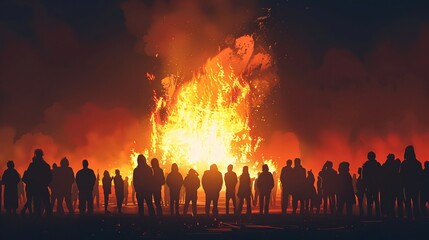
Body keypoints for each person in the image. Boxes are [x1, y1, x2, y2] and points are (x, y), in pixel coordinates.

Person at [26, 149, 53, 217]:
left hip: (36, 188)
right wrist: (45, 184)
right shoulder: (45, 165)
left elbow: (29, 176)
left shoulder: (32, 166)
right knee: (47, 204)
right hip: (43, 187)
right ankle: (49, 220)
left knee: (37, 204)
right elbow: (50, 177)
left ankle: (37, 220)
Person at [400, 145, 422, 219]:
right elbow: (419, 176)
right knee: (416, 202)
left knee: (408, 203)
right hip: (415, 186)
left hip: (407, 186)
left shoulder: (403, 164)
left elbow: (402, 176)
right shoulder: (417, 163)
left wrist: (401, 186)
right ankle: (417, 218)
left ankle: (409, 218)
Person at [362, 151, 381, 217]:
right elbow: (380, 176)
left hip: (369, 186)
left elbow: (363, 177)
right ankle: (378, 214)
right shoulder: (377, 165)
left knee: (369, 201)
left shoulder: (365, 165)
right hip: (375, 185)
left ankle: (369, 214)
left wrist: (364, 186)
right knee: (376, 201)